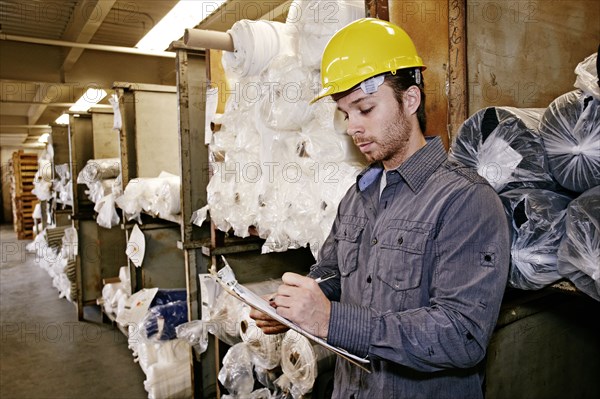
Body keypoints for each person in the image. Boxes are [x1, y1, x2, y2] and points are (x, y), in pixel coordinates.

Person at [251, 18, 510, 399]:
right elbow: (333, 275)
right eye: (345, 113)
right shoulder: (359, 195)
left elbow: (462, 334)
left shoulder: (465, 200)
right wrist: (291, 305)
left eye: (365, 108)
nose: (353, 127)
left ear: (410, 100)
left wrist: (331, 319)